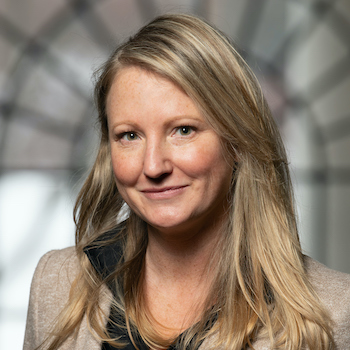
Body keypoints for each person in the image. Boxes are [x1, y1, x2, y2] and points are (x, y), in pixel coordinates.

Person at [23, 13, 350, 350]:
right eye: (130, 135)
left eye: (183, 130)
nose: (153, 165)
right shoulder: (57, 283)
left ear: (237, 140)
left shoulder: (335, 312)